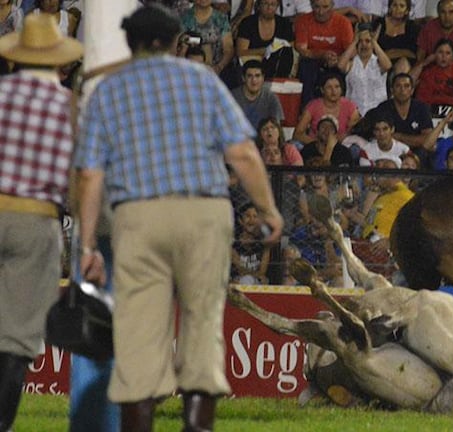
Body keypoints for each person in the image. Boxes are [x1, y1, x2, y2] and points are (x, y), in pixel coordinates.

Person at [73, 5, 283, 430]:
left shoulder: (110, 89)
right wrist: (267, 209)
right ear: (175, 42)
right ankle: (196, 425)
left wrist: (88, 244)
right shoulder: (203, 80)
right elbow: (241, 152)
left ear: (130, 43)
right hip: (203, 214)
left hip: (139, 218)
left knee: (139, 334)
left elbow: (90, 175)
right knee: (202, 322)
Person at [0, 13, 82, 432]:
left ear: (16, 59)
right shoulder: (66, 106)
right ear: (57, 62)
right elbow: (77, 177)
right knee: (16, 338)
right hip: (37, 221)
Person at [294, 0, 354, 105]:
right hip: (312, 61)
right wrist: (322, 55)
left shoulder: (343, 22)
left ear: (333, 6)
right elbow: (302, 50)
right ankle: (308, 108)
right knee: (306, 66)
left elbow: (351, 51)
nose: (321, 12)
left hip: (337, 61)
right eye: (317, 7)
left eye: (325, 7)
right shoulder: (303, 21)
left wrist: (337, 60)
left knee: (343, 67)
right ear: (311, 6)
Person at [365, 72, 434, 154]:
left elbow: (428, 140)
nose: (402, 90)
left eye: (406, 86)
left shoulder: (422, 108)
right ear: (392, 90)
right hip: (388, 151)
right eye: (398, 86)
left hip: (416, 154)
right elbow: (380, 137)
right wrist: (414, 140)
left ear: (412, 90)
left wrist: (399, 137)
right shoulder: (383, 108)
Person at [293, 73, 361, 145]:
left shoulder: (350, 106)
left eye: (337, 87)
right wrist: (317, 143)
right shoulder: (313, 106)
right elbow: (297, 134)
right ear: (322, 90)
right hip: (315, 147)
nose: (334, 91)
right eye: (329, 87)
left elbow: (355, 132)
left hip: (342, 147)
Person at [338, 24, 392, 116]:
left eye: (367, 41)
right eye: (360, 41)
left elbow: (388, 66)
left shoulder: (378, 62)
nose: (364, 45)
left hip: (378, 112)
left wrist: (374, 41)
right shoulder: (352, 63)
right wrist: (354, 41)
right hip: (354, 113)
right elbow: (340, 65)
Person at [412, 38, 453, 110]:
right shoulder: (428, 71)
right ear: (435, 54)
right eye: (440, 52)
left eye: (448, 53)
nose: (443, 56)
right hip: (432, 110)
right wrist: (424, 63)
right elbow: (410, 83)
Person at [235, 0, 295, 78]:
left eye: (273, 4)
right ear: (259, 5)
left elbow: (291, 46)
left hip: (277, 67)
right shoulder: (248, 23)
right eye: (265, 3)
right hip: (253, 65)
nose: (269, 7)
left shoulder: (284, 24)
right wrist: (265, 50)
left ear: (277, 6)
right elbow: (240, 52)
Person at [180, 0, 235, 78]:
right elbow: (181, 43)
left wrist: (218, 67)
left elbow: (228, 49)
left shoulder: (221, 18)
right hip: (190, 69)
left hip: (218, 70)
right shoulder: (184, 18)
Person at [231, 60, 285, 129]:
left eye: (257, 76)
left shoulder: (271, 98)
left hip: (262, 138)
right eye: (249, 76)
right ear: (243, 78)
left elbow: (276, 128)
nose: (254, 80)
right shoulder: (231, 97)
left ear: (263, 78)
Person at [374, 0, 422, 74]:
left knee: (403, 64)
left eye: (402, 6)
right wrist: (401, 52)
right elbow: (373, 49)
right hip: (380, 61)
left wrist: (388, 53)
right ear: (389, 8)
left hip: (404, 63)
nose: (397, 9)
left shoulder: (413, 27)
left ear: (407, 10)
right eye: (394, 5)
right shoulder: (379, 24)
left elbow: (412, 54)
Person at [231, 203, 272, 284]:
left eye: (255, 216)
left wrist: (258, 276)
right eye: (247, 216)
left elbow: (262, 272)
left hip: (257, 281)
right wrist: (257, 275)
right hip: (238, 281)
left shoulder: (265, 243)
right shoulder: (234, 242)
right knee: (247, 279)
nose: (251, 220)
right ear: (240, 220)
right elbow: (241, 270)